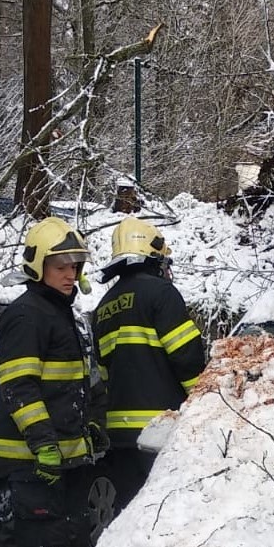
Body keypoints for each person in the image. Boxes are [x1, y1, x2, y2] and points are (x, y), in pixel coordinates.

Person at [0, 217, 107, 547]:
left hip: (69, 459)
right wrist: (42, 444)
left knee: (73, 544)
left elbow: (81, 384)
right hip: (34, 461)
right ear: (38, 265)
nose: (69, 273)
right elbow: (19, 387)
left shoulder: (66, 315)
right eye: (60, 264)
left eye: (75, 265)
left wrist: (92, 429)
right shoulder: (25, 315)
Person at [93, 215, 205, 509]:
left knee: (131, 515)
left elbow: (104, 372)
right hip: (160, 430)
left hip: (120, 436)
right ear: (154, 258)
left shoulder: (102, 308)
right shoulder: (161, 294)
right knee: (165, 514)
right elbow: (187, 357)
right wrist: (205, 402)